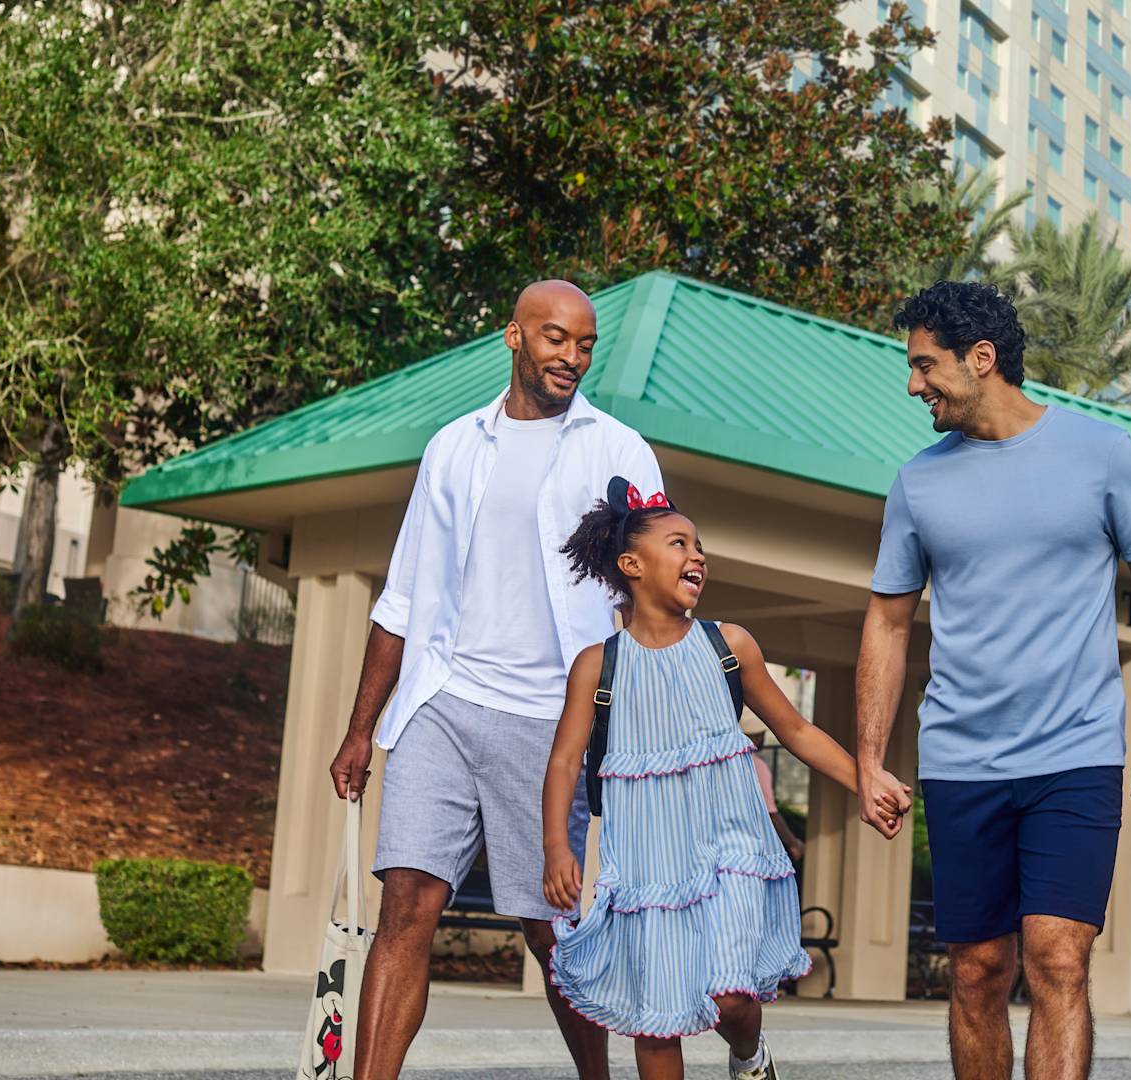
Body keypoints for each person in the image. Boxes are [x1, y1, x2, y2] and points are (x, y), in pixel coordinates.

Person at [854, 280, 1131, 1080]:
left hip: (1074, 756)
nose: (914, 385)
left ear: (982, 359)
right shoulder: (917, 483)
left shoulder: (1101, 453)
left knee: (1058, 959)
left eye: (924, 365)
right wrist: (870, 756)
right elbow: (887, 621)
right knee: (976, 970)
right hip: (961, 760)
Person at [325, 280, 665, 1080]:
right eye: (555, 339)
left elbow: (660, 586)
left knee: (550, 928)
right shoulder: (455, 445)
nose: (571, 358)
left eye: (585, 345)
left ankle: (595, 1077)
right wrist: (360, 729)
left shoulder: (617, 450)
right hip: (443, 703)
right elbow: (403, 596)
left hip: (552, 722)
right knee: (406, 905)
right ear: (513, 336)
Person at [541, 478, 907, 1080]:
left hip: (732, 849)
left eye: (700, 546)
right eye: (679, 544)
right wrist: (559, 845)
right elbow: (563, 763)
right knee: (657, 1017)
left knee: (731, 998)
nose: (697, 556)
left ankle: (749, 1055)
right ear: (632, 564)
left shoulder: (728, 646)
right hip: (645, 864)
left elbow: (797, 731)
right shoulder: (597, 666)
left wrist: (866, 780)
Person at [744, 712, 805, 864]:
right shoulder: (757, 766)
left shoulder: (724, 762)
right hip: (752, 851)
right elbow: (771, 815)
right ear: (758, 737)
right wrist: (794, 844)